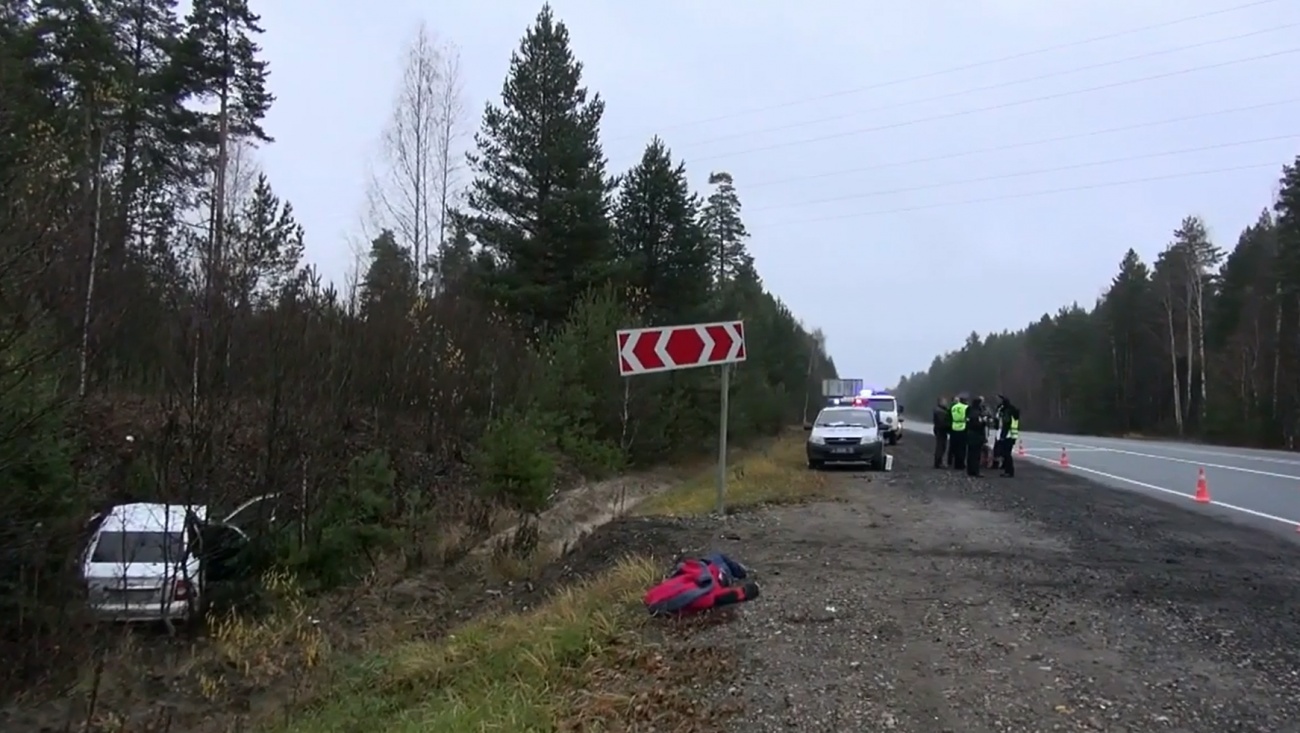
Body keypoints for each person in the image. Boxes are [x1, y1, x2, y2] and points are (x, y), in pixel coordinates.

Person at [995, 395, 1020, 477]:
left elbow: (1006, 423)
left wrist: (1002, 436)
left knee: (1006, 454)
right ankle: (1008, 471)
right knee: (1007, 453)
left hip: (1008, 435)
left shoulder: (1007, 411)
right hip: (1012, 435)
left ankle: (1009, 471)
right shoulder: (1013, 410)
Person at [965, 396, 987, 477]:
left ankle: (970, 470)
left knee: (970, 454)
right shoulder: (977, 413)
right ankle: (975, 471)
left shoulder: (969, 411)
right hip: (976, 435)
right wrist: (983, 422)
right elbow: (977, 425)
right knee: (976, 455)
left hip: (970, 434)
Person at [948, 395, 968, 470]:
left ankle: (955, 463)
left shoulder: (953, 407)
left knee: (955, 447)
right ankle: (961, 464)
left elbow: (949, 417)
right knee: (962, 448)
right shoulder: (966, 407)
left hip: (954, 427)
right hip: (963, 428)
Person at [931, 396, 950, 468]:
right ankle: (938, 463)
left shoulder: (940, 410)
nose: (946, 403)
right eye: (945, 402)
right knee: (940, 447)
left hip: (939, 429)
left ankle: (939, 462)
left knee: (941, 446)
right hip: (941, 430)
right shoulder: (940, 411)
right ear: (941, 402)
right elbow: (942, 422)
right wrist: (949, 426)